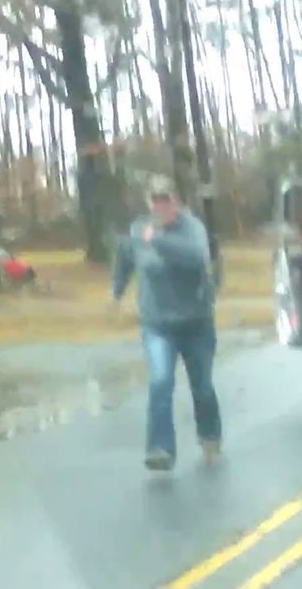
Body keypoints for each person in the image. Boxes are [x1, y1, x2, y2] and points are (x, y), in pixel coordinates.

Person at [111, 175, 221, 471]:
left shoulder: (191, 228)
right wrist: (117, 291)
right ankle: (160, 448)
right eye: (155, 201)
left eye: (166, 200)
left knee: (202, 386)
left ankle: (209, 435)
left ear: (176, 201)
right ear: (149, 203)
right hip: (158, 324)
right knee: (161, 382)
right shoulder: (138, 231)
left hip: (196, 323)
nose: (161, 206)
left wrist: (159, 240)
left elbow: (197, 257)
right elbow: (124, 258)